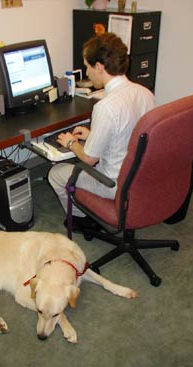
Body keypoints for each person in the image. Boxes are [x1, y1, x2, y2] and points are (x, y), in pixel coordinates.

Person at [48, 32, 155, 231]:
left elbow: (89, 160)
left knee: (56, 173)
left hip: (112, 184)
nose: (87, 73)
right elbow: (132, 134)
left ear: (99, 67)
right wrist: (92, 135)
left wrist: (71, 143)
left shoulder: (106, 106)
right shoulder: (144, 93)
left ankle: (83, 219)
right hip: (140, 176)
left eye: (88, 67)